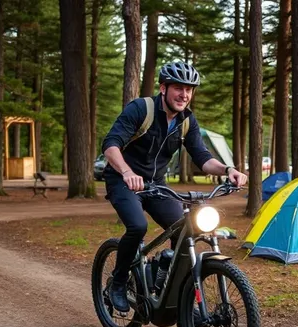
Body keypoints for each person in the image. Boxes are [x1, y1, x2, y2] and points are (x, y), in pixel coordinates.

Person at [101, 61, 248, 313]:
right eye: (178, 88)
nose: (184, 94)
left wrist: (228, 170)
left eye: (189, 89)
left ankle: (170, 288)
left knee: (185, 231)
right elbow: (110, 144)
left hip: (156, 186)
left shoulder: (186, 121)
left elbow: (202, 158)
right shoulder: (141, 109)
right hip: (123, 180)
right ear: (163, 88)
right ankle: (118, 282)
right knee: (137, 227)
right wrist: (126, 171)